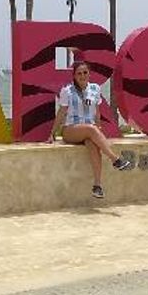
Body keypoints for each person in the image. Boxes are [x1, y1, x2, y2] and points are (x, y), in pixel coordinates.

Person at [49, 60, 133, 198]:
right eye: (79, 73)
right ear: (74, 76)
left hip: (89, 131)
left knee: (93, 146)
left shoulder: (95, 89)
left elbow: (97, 112)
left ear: (89, 74)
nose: (82, 75)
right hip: (71, 130)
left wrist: (98, 128)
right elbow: (61, 112)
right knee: (90, 128)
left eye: (85, 72)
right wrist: (52, 133)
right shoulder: (67, 91)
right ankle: (115, 159)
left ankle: (97, 186)